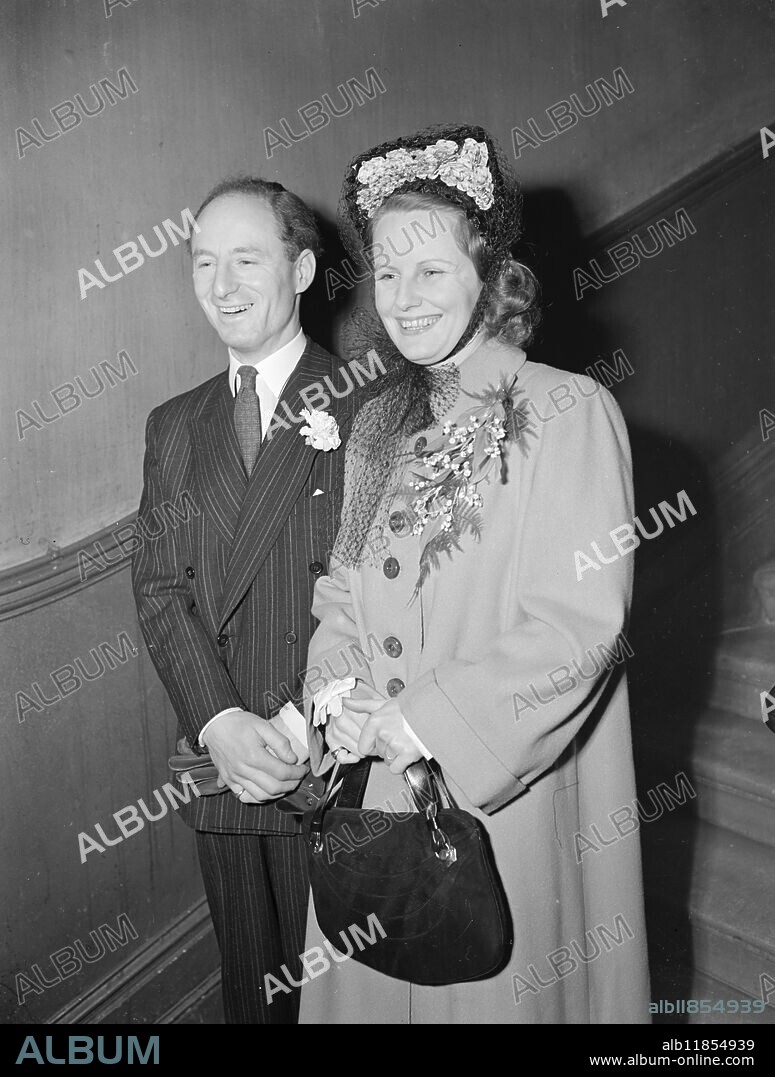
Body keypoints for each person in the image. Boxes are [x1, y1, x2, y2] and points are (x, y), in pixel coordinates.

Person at [300, 125, 651, 1023]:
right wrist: (333, 700)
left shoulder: (568, 407)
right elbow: (342, 589)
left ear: (490, 276)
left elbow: (578, 630)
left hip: (495, 806)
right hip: (372, 806)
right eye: (385, 271)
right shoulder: (377, 422)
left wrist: (414, 723)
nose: (403, 299)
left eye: (430, 271)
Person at [131, 176, 357, 1023]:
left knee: (342, 999)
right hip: (222, 764)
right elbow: (158, 588)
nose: (221, 287)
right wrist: (219, 720)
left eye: (246, 260)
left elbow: (389, 594)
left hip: (333, 769)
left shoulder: (370, 402)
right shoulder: (172, 424)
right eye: (202, 264)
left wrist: (299, 730)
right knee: (251, 997)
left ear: (300, 271)